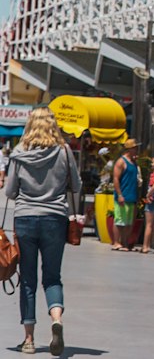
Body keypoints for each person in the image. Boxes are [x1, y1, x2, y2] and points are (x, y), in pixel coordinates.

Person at [4, 105, 81, 357]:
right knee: (52, 277)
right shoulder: (64, 151)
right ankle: (56, 320)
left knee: (27, 280)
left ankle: (28, 340)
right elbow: (77, 185)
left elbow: (10, 191)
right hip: (55, 219)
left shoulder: (18, 152)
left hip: (26, 218)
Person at [111, 138, 141, 251]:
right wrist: (119, 194)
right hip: (123, 194)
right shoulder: (121, 162)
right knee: (119, 220)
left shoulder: (134, 162)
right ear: (129, 149)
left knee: (129, 221)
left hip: (132, 195)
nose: (137, 150)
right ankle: (116, 242)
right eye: (135, 148)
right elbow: (116, 178)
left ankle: (125, 242)